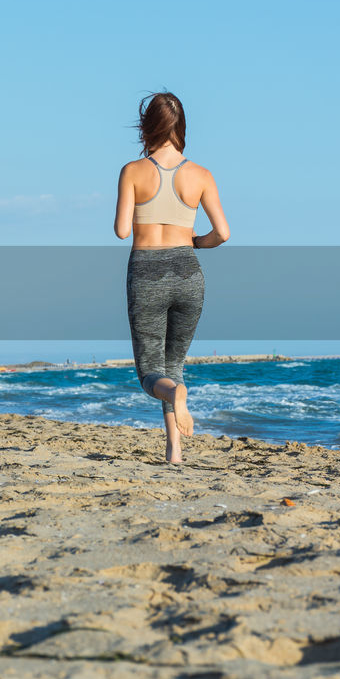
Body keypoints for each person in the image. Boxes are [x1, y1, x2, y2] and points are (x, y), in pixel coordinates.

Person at [114, 91, 230, 464]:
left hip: (146, 270)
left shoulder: (133, 171)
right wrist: (193, 242)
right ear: (181, 127)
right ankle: (174, 450)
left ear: (148, 126)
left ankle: (174, 403)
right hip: (188, 271)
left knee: (151, 374)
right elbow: (223, 234)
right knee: (174, 367)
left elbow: (120, 231)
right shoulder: (201, 175)